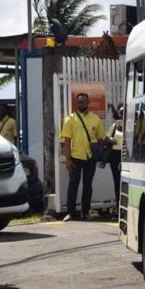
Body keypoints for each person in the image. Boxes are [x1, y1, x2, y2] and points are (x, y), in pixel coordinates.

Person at [60, 92, 105, 221]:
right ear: (76, 103)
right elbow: (67, 142)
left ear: (88, 102)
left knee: (88, 185)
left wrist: (104, 151)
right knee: (73, 184)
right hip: (75, 157)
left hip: (90, 157)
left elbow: (101, 139)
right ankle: (71, 213)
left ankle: (85, 212)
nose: (82, 104)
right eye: (79, 102)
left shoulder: (95, 119)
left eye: (84, 102)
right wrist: (67, 160)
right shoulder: (70, 119)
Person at [103, 104, 124, 215]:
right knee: (117, 182)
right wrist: (111, 140)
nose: (122, 115)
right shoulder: (114, 126)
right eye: (120, 113)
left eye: (124, 113)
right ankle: (118, 208)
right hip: (115, 155)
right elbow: (105, 140)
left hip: (127, 155)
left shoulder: (132, 126)